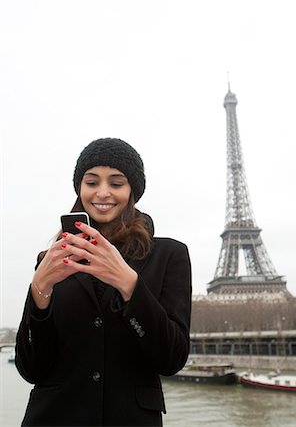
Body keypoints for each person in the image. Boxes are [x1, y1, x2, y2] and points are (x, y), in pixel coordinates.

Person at [15, 138, 192, 427]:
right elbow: (30, 368)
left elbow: (172, 358)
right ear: (80, 188)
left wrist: (130, 286)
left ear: (132, 190)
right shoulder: (52, 259)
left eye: (117, 182)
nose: (103, 193)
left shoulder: (169, 255)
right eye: (92, 182)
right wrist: (39, 291)